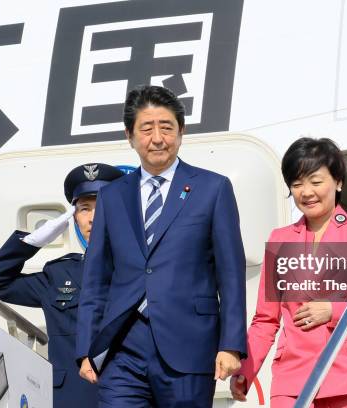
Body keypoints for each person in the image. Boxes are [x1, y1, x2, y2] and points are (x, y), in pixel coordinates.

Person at [76, 85, 247, 407]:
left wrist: (231, 345)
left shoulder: (212, 188)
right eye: (146, 128)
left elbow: (231, 274)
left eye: (166, 127)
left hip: (189, 344)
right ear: (130, 135)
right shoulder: (113, 196)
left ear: (181, 131)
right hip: (122, 346)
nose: (157, 138)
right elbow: (96, 277)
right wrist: (86, 348)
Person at [230, 137, 347, 408]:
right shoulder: (279, 240)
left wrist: (333, 311)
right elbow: (265, 320)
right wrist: (246, 368)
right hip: (292, 381)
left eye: (315, 181)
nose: (306, 192)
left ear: (338, 182)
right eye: (297, 184)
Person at [0, 163, 124, 408]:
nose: (93, 217)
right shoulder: (59, 274)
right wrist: (30, 242)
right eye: (84, 209)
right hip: (72, 396)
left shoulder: (140, 269)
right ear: (75, 218)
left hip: (128, 391)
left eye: (103, 208)